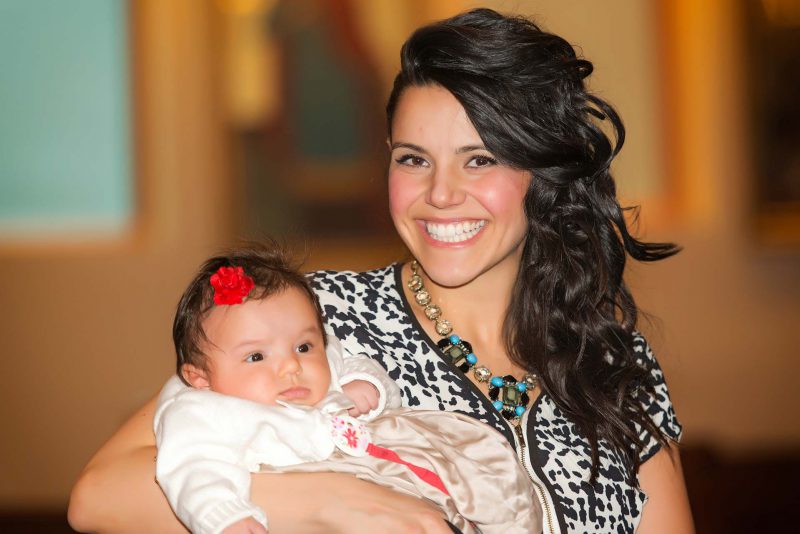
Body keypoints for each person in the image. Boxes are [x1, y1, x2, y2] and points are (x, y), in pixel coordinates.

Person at [68, 8, 694, 533]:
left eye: (479, 160)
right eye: (414, 159)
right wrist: (326, 500)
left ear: (543, 176)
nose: (440, 194)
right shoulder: (311, 322)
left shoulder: (613, 363)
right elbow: (98, 495)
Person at [155, 243, 540, 534]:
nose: (291, 365)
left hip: (396, 469)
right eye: (256, 357)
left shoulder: (318, 365)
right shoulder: (203, 413)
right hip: (318, 503)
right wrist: (226, 517)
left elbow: (344, 360)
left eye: (303, 346)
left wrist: (367, 384)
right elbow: (190, 467)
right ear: (199, 378)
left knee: (480, 468)